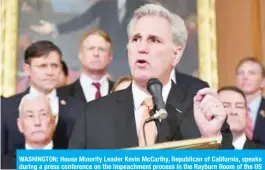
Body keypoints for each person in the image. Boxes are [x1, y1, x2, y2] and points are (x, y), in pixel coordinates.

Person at [69, 4, 232, 149]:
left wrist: (209, 140)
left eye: (154, 40)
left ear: (176, 55)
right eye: (136, 39)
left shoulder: (202, 113)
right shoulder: (93, 114)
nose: (142, 48)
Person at [29, 0, 150, 79]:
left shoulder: (142, 4)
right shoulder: (106, 4)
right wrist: (55, 28)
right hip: (107, 58)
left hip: (130, 59)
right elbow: (83, 19)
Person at [1, 40, 85, 154]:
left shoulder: (79, 109)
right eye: (43, 66)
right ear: (27, 69)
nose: (50, 72)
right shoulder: (6, 108)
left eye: (54, 66)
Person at [58, 30, 114, 102]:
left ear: (110, 57)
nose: (96, 53)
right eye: (91, 48)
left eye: (101, 49)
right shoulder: (61, 95)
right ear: (80, 55)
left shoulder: (121, 92)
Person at [235, 57, 265, 144]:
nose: (245, 77)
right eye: (241, 73)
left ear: (263, 81)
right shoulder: (225, 111)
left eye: (251, 73)